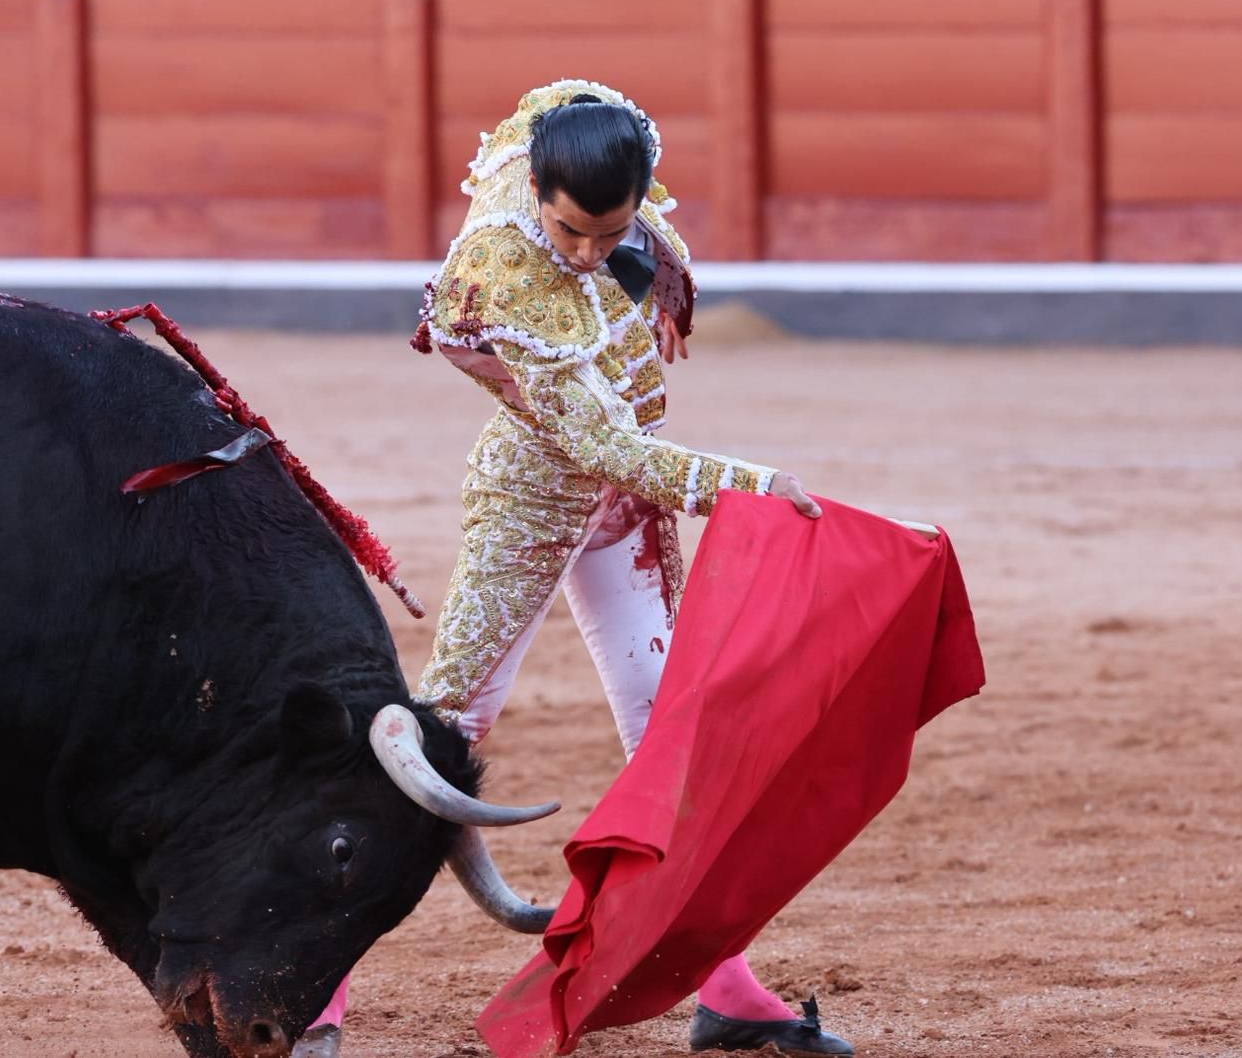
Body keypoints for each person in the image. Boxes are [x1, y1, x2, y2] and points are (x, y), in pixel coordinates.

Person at [295, 79, 849, 1058]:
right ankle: (313, 986)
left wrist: (665, 273)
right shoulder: (507, 269)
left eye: (610, 234)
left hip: (623, 515)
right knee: (439, 745)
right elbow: (612, 450)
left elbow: (576, 109)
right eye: (569, 232)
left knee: (678, 737)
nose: (587, 254)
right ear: (536, 198)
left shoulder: (585, 165)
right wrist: (751, 481)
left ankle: (725, 986)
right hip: (529, 505)